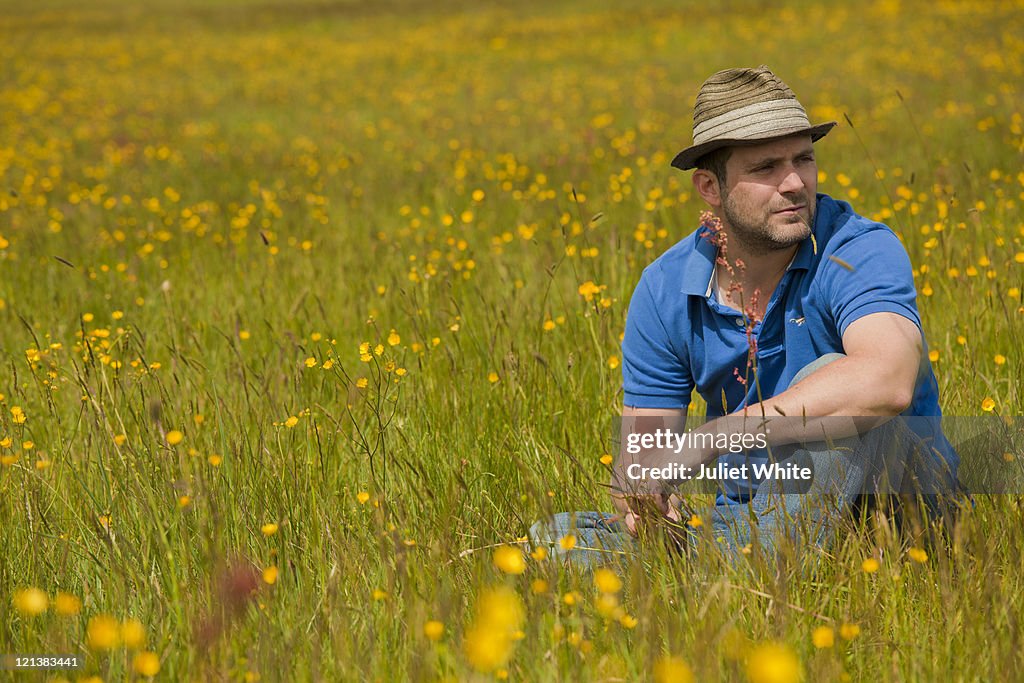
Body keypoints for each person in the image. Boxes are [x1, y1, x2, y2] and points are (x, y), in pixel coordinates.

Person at [530, 66, 960, 567]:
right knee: (550, 538)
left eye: (804, 158)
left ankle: (732, 575)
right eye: (766, 168)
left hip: (894, 513)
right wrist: (646, 502)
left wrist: (716, 436)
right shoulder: (666, 287)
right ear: (710, 187)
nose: (795, 183)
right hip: (746, 518)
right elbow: (639, 461)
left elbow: (887, 381)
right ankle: (733, 563)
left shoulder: (857, 248)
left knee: (830, 387)